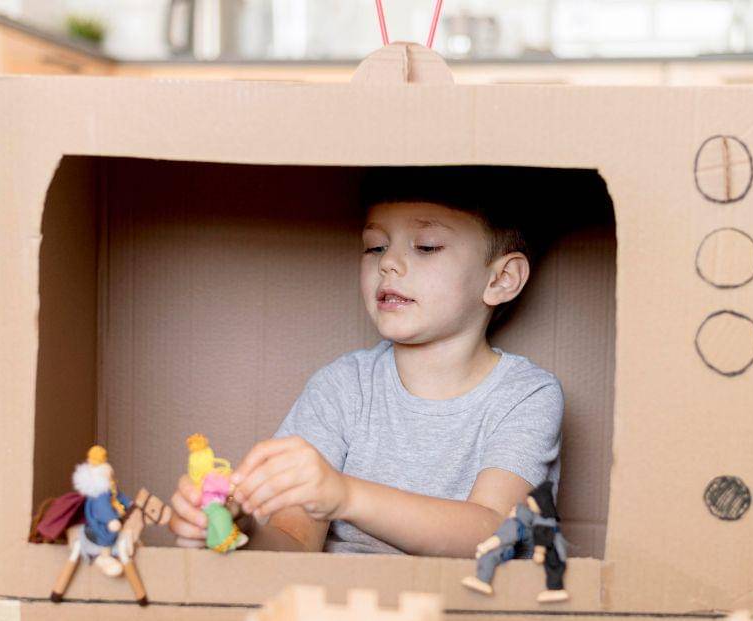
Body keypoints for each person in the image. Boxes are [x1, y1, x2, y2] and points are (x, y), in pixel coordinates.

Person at [168, 167, 563, 557]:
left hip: (470, 609)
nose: (388, 263)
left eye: (425, 246)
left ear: (502, 279)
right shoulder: (341, 386)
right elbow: (294, 541)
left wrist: (345, 495)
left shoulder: (525, 394)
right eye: (376, 246)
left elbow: (495, 531)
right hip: (343, 608)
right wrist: (239, 533)